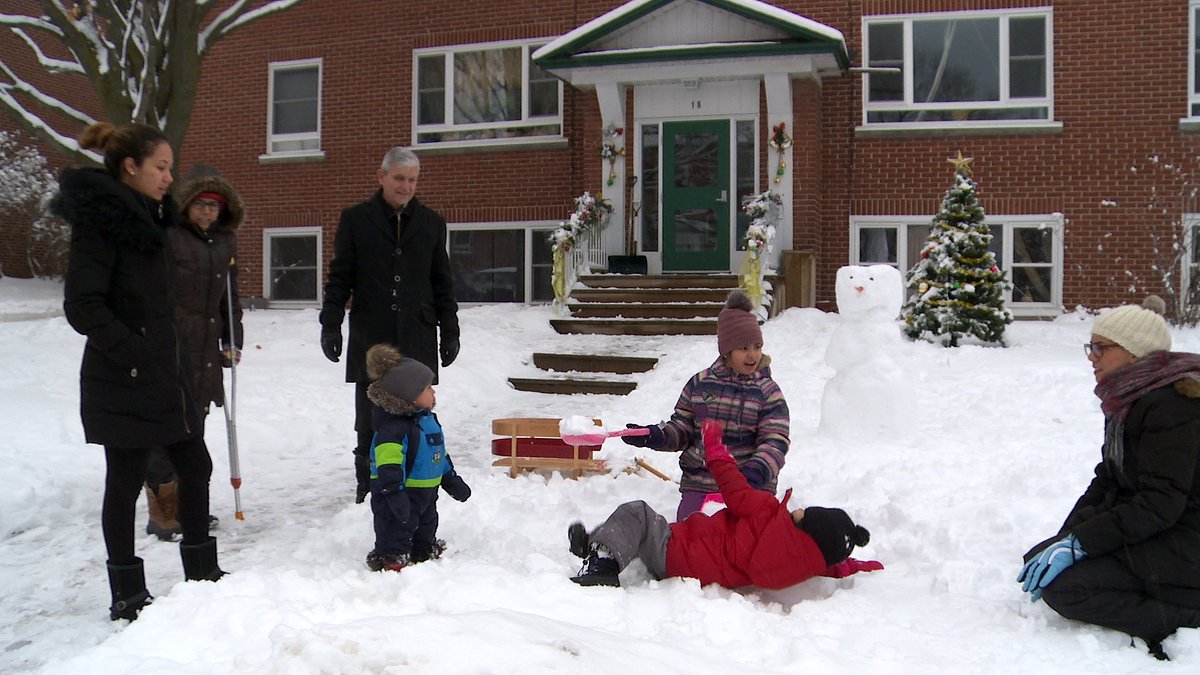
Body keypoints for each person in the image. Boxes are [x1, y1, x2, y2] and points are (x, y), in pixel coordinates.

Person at [53, 121, 225, 622]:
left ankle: (200, 573)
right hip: (123, 376)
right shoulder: (102, 223)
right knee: (125, 482)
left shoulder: (153, 218)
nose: (171, 177)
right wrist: (135, 351)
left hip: (163, 373)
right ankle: (127, 591)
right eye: (162, 167)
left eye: (170, 167)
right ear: (131, 166)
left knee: (196, 466)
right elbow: (82, 305)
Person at [1017, 296, 1200, 660]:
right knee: (1038, 560)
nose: (1091, 356)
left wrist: (1082, 544)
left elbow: (1160, 503)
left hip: (1187, 538)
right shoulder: (1130, 398)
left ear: (1135, 353)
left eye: (1101, 348)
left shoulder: (1171, 407)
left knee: (1067, 589)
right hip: (1163, 530)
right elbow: (1109, 479)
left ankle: (1184, 617)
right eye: (1091, 347)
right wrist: (1067, 538)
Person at [569, 420, 875, 588]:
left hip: (677, 550)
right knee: (637, 531)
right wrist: (855, 565)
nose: (800, 508)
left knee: (637, 514)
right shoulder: (804, 562)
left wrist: (715, 449)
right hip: (696, 574)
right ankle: (596, 544)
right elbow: (829, 562)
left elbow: (734, 487)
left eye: (806, 512)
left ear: (807, 522)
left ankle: (604, 564)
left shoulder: (767, 512)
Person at [320, 146, 460, 504]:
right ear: (381, 176)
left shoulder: (431, 223)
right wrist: (331, 323)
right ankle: (367, 485)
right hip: (373, 334)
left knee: (417, 408)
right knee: (371, 412)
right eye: (399, 178)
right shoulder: (356, 219)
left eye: (412, 180)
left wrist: (450, 329)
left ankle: (419, 480)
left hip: (417, 332)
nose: (406, 186)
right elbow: (340, 277)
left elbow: (442, 282)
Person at [624, 289, 789, 520]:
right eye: (743, 348)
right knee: (691, 540)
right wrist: (655, 436)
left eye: (757, 346)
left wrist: (757, 471)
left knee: (741, 544)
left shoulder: (768, 391)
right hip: (700, 484)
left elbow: (775, 440)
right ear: (727, 350)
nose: (752, 355)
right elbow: (683, 428)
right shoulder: (700, 384)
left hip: (748, 486)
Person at [143, 174, 244, 541]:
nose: (207, 211)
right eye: (200, 204)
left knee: (193, 425)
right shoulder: (171, 237)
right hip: (172, 340)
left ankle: (189, 505)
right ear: (187, 206)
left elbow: (229, 299)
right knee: (166, 426)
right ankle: (163, 512)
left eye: (213, 205)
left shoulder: (225, 242)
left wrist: (233, 340)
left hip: (205, 346)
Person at [362, 343, 471, 571]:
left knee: (427, 523)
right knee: (396, 525)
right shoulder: (392, 429)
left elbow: (438, 454)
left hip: (427, 491)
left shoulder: (428, 421)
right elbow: (388, 465)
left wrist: (451, 480)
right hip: (400, 492)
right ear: (410, 397)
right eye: (428, 388)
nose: (434, 392)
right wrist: (394, 492)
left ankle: (423, 549)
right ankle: (392, 557)